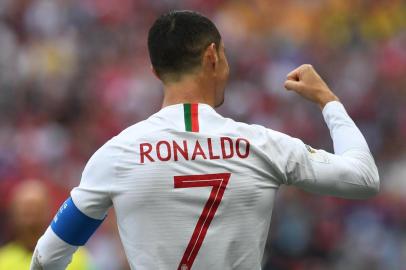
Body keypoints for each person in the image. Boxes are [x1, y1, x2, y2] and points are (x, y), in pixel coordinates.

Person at [30, 10, 379, 270]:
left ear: (155, 71)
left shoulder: (116, 155)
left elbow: (47, 258)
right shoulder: (261, 145)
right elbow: (364, 178)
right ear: (212, 56)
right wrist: (328, 100)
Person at [0, 179, 91, 270]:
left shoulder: (75, 257)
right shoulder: (3, 260)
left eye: (36, 210)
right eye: (25, 212)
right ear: (13, 214)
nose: (31, 220)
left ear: (48, 212)